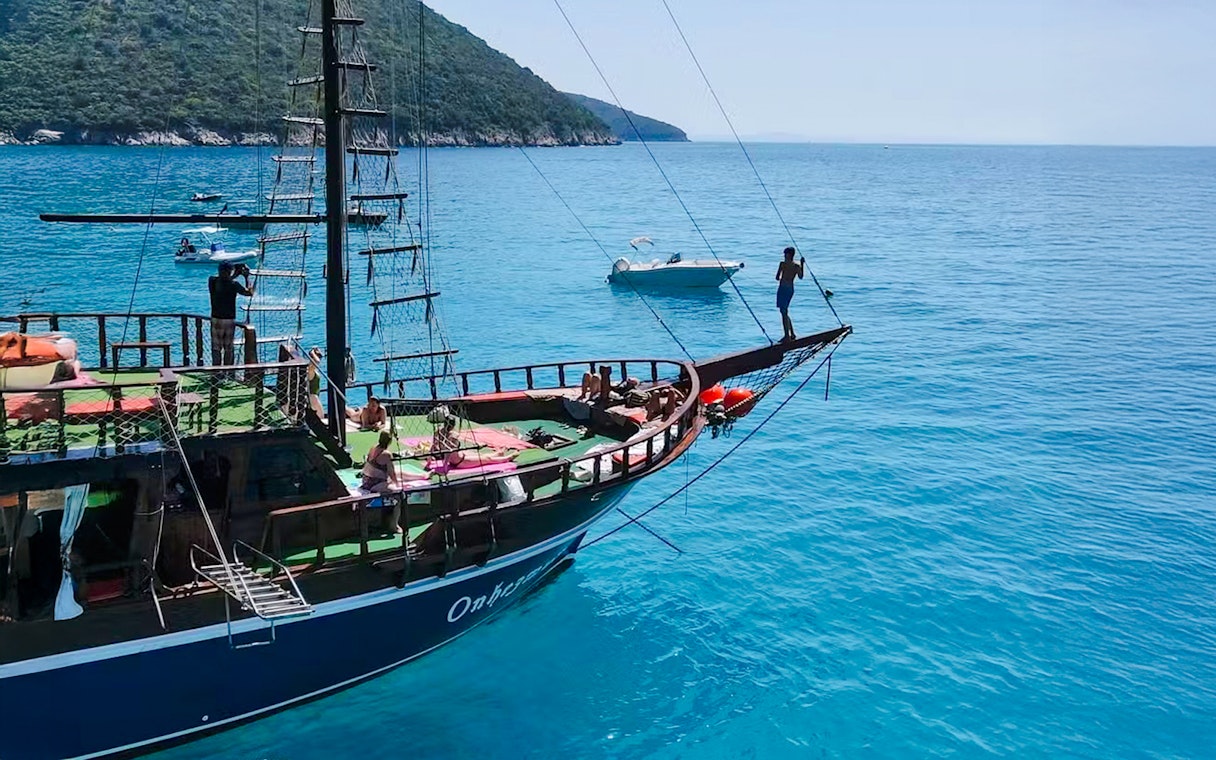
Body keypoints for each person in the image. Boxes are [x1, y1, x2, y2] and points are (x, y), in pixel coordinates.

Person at [208, 262, 253, 365]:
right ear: (230, 272)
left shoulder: (212, 281)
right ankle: (228, 372)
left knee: (216, 348)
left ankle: (216, 372)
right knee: (228, 348)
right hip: (229, 320)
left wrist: (235, 273)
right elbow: (249, 293)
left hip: (216, 319)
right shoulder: (234, 284)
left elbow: (224, 279)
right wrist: (246, 277)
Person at [775, 246, 805, 342]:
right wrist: (802, 264)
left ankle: (786, 336)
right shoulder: (796, 266)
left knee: (783, 312)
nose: (784, 256)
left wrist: (782, 279)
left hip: (784, 288)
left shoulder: (783, 264)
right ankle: (792, 334)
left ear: (789, 255)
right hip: (789, 289)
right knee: (784, 311)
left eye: (785, 254)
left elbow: (777, 277)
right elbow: (800, 276)